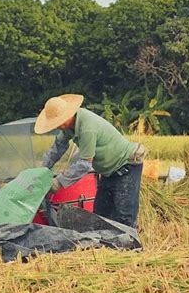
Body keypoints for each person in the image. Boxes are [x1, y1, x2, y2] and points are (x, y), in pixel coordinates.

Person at [35, 94, 145, 228]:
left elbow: (84, 164)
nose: (58, 127)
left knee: (123, 217)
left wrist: (58, 182)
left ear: (69, 115)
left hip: (126, 166)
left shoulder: (87, 127)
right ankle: (106, 247)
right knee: (100, 216)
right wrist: (41, 171)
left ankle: (128, 247)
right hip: (107, 172)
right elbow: (57, 148)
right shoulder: (69, 127)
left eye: (59, 122)